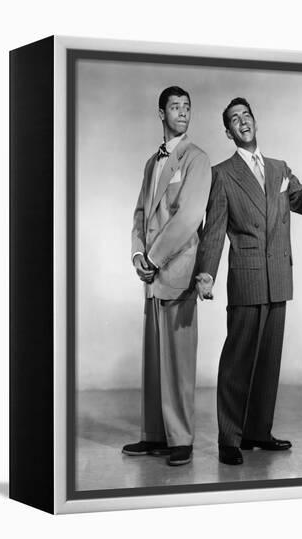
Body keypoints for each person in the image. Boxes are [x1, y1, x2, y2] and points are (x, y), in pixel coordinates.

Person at [196, 97, 302, 466]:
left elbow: (301, 204)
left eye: (247, 115)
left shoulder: (279, 168)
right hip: (246, 279)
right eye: (234, 119)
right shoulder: (222, 174)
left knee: (268, 362)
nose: (243, 122)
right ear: (228, 132)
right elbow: (213, 231)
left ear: (255, 122)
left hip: (279, 278)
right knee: (238, 361)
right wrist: (206, 273)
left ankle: (258, 432)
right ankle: (230, 437)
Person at [122, 86, 211, 466]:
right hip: (152, 274)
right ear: (161, 113)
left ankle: (181, 439)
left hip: (177, 270)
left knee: (178, 361)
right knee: (154, 360)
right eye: (175, 107)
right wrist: (138, 253)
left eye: (187, 107)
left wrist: (154, 257)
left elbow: (190, 218)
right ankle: (155, 436)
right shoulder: (151, 162)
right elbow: (140, 212)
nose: (182, 112)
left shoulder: (197, 159)